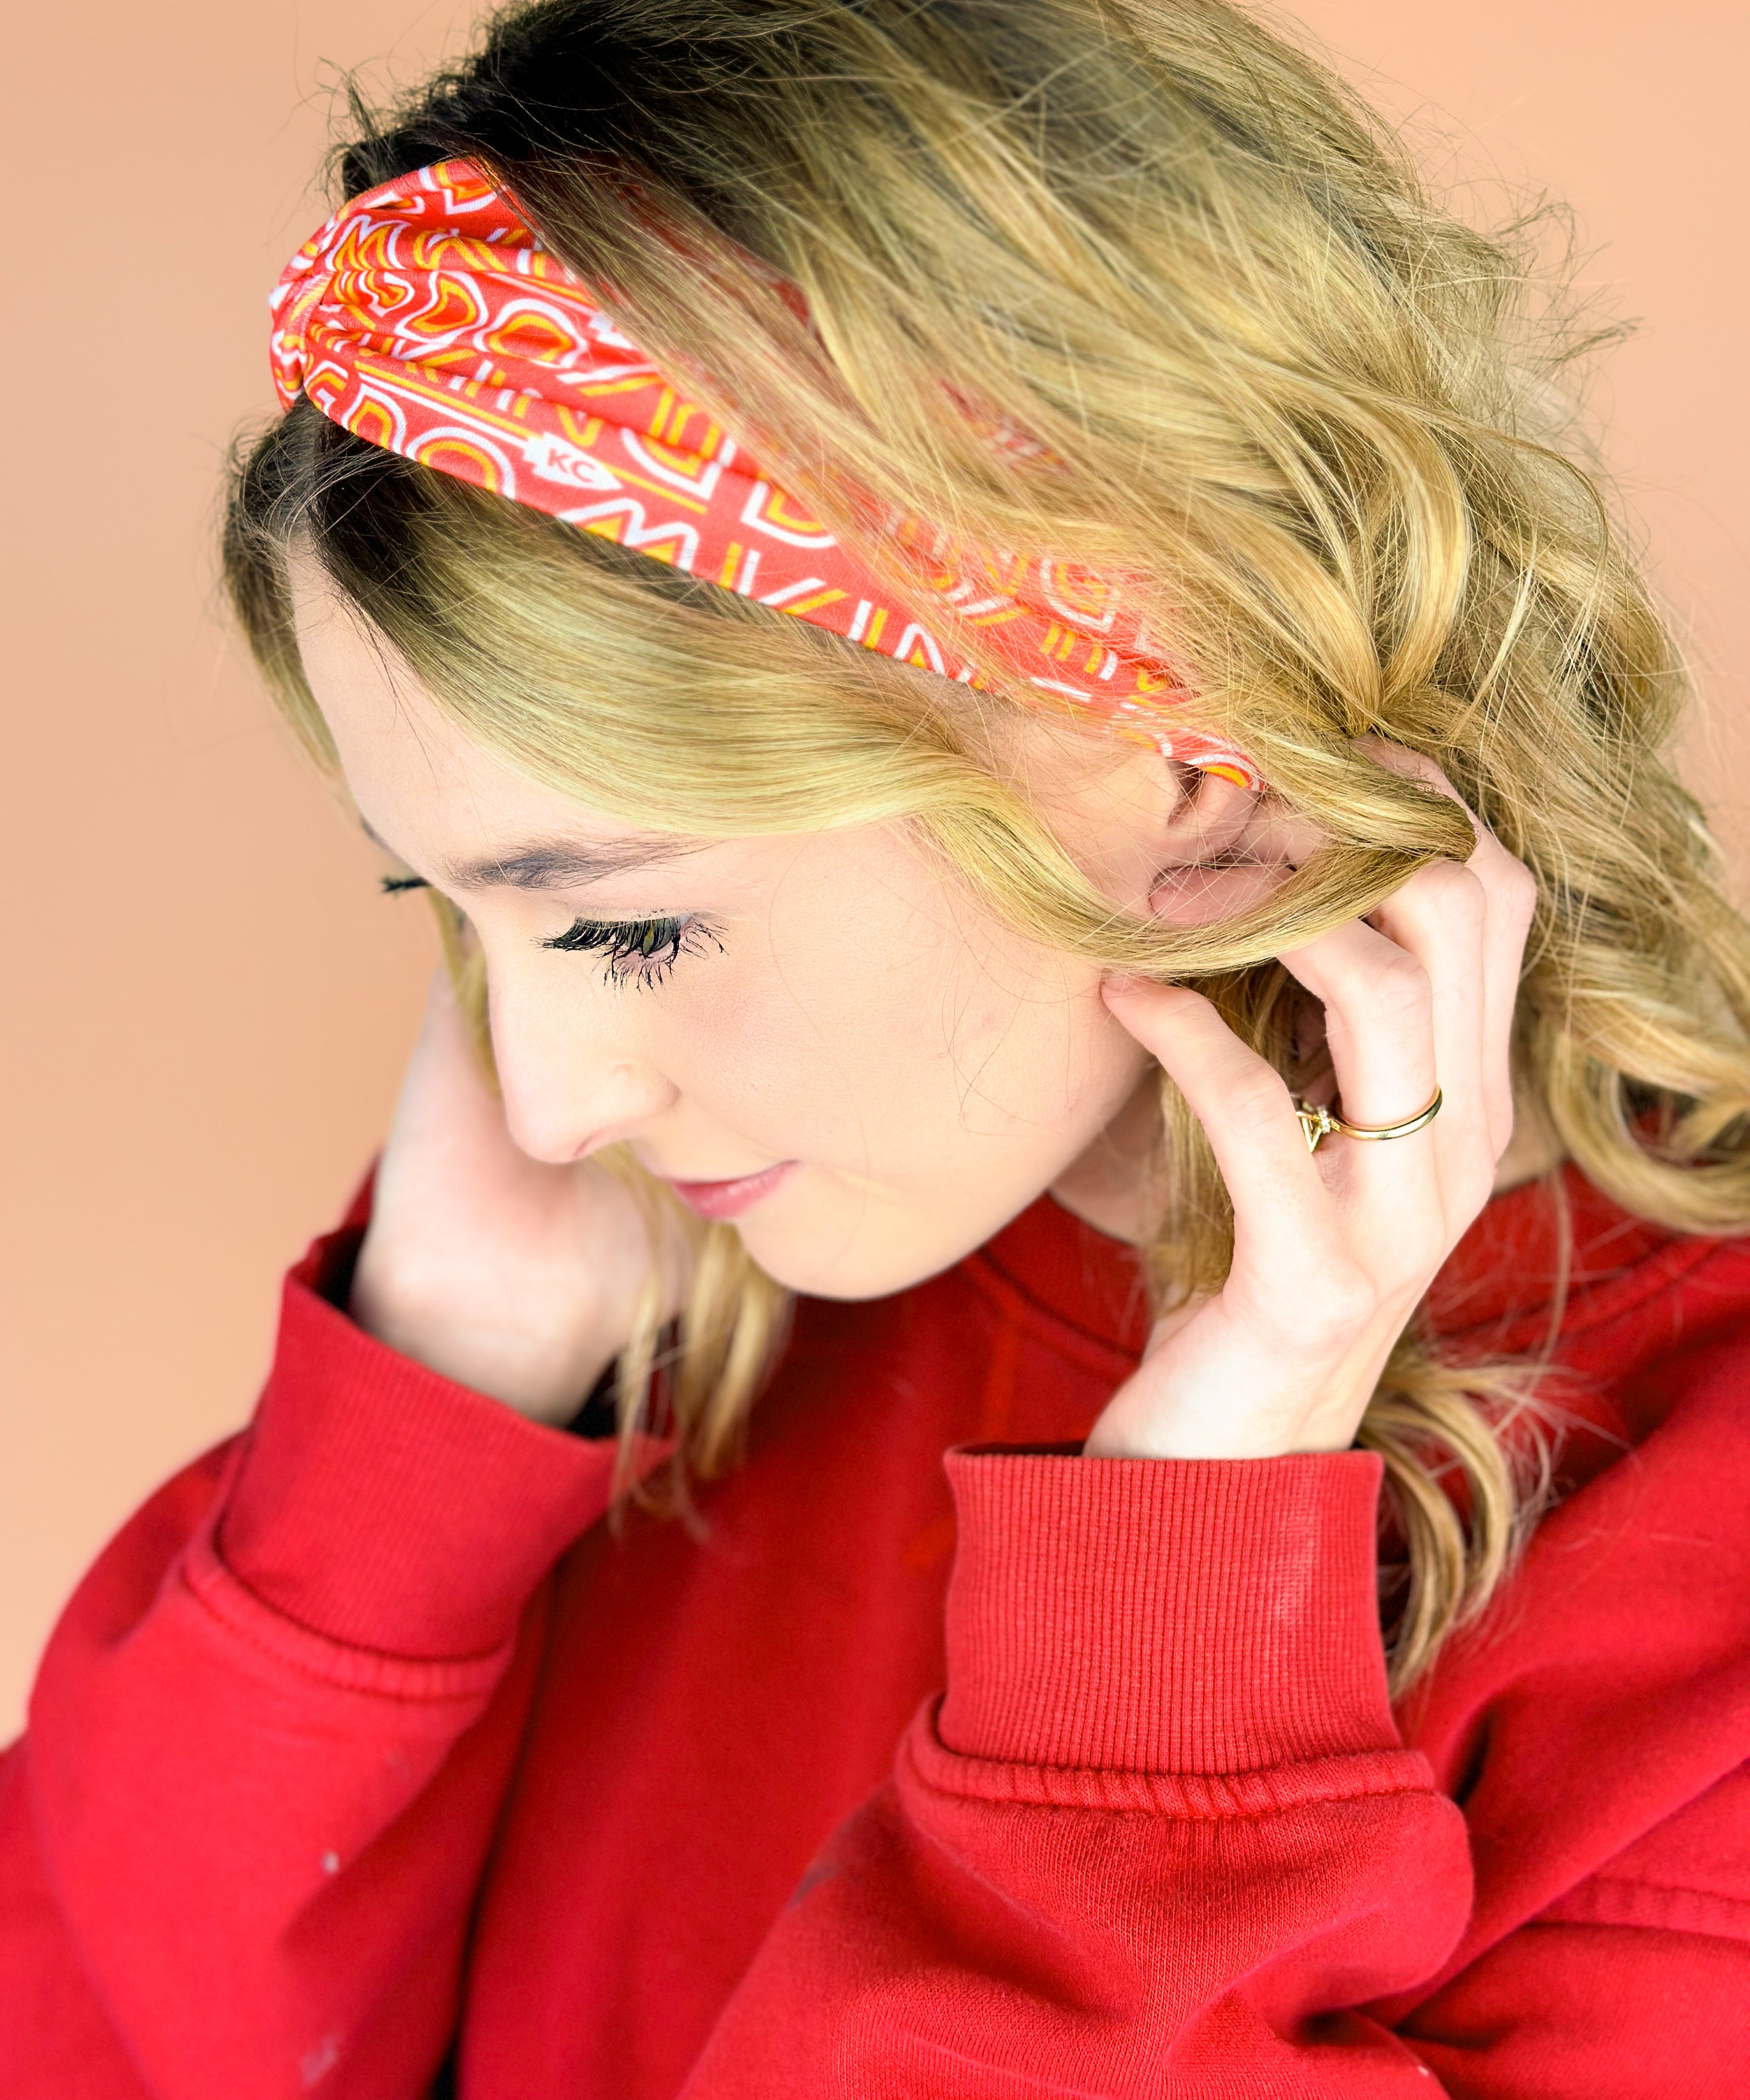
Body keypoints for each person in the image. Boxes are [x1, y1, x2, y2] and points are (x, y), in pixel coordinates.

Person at [3, 0, 1748, 2091]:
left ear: (1192, 763)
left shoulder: (1695, 1588)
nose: (551, 1102)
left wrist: (1155, 1651)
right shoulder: (641, 1313)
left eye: (625, 918)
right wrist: (412, 1443)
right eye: (448, 908)